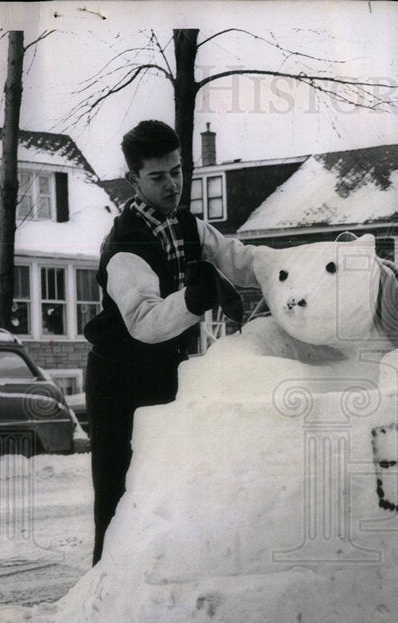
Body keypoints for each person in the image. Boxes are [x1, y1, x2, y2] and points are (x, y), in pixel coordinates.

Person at [83, 120, 258, 565]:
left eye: (177, 171)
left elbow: (242, 260)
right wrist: (198, 298)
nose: (172, 185)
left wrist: (309, 265)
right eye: (157, 177)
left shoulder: (187, 225)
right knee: (119, 494)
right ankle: (105, 595)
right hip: (118, 381)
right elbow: (144, 321)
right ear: (133, 180)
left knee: (168, 490)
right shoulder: (126, 242)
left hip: (167, 372)